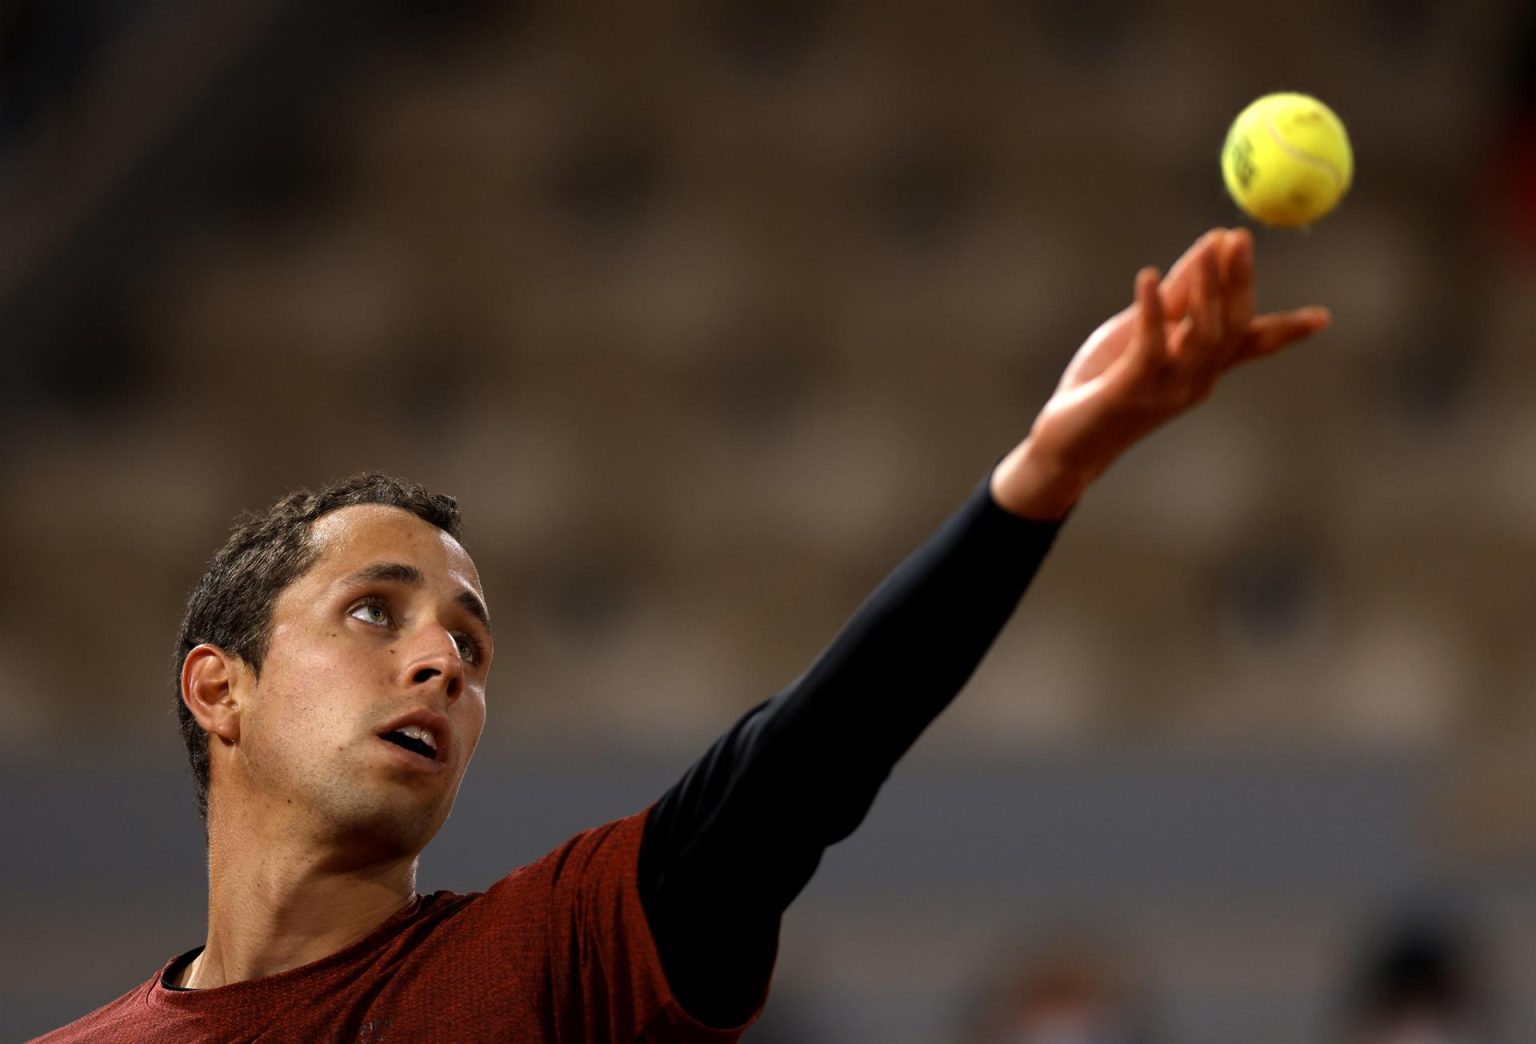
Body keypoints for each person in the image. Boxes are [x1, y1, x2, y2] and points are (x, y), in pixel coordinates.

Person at [34, 228, 1329, 1043]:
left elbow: (804, 767)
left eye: (472, 650)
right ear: (220, 688)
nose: (441, 662)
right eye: (375, 611)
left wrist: (1041, 476)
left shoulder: (547, 961)